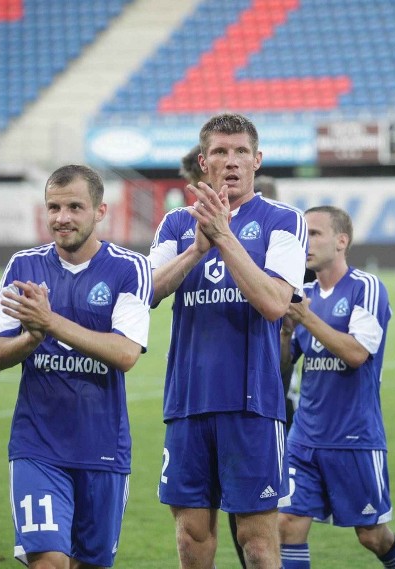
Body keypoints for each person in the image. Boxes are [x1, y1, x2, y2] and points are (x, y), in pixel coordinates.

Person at [149, 113, 307, 569]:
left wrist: (223, 236)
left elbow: (276, 302)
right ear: (203, 162)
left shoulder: (283, 221)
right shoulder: (176, 224)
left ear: (257, 160)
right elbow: (149, 291)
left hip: (252, 404)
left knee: (257, 541)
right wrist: (197, 248)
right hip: (187, 400)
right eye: (220, 152)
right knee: (192, 539)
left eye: (241, 152)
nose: (231, 161)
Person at [0, 165, 152, 569]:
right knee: (50, 562)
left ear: (100, 211)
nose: (62, 217)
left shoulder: (130, 268)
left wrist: (50, 322)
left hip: (104, 449)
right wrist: (29, 340)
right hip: (38, 445)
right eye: (54, 207)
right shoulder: (23, 267)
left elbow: (126, 354)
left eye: (75, 206)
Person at [278, 206, 395, 569]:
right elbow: (282, 367)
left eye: (315, 233)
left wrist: (305, 317)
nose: (305, 242)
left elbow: (357, 353)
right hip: (305, 437)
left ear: (342, 241)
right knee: (288, 524)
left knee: (372, 536)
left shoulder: (365, 288)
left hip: (354, 438)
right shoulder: (302, 292)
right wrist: (287, 331)